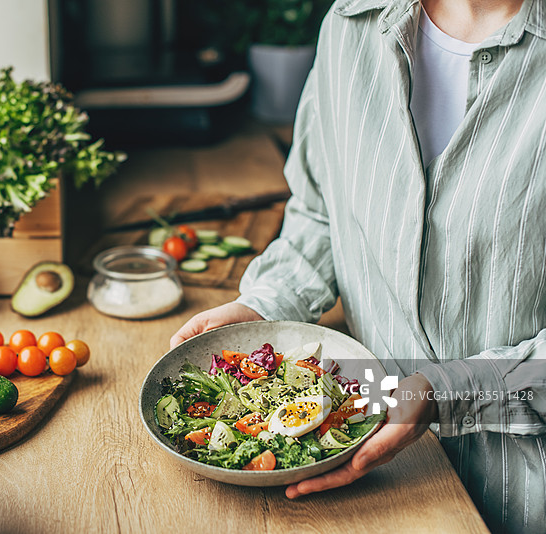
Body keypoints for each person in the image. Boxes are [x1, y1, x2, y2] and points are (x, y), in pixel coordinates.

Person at [170, 0, 546, 532]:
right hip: (365, 482)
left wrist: (447, 391)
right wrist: (265, 302)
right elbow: (324, 209)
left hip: (521, 495)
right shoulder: (351, 24)